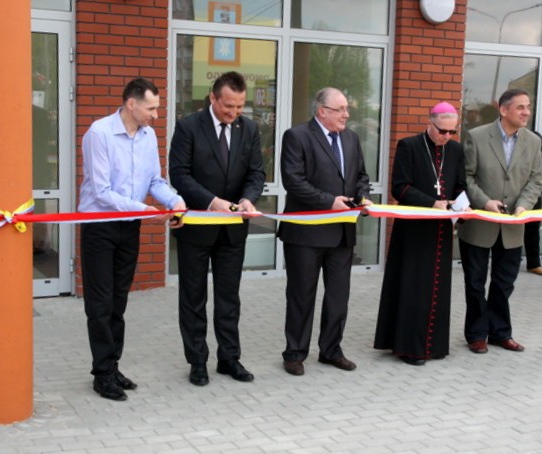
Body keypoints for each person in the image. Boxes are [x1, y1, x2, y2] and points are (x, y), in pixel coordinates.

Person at [79, 78, 186, 401]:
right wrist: (145, 210)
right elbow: (102, 192)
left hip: (130, 227)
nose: (156, 114)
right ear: (131, 104)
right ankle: (102, 374)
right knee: (100, 303)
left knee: (119, 301)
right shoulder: (99, 133)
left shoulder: (148, 135)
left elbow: (155, 180)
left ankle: (112, 365)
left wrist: (174, 201)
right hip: (100, 225)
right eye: (151, 107)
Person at [169, 71, 265, 386]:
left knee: (229, 297)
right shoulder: (187, 128)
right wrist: (212, 202)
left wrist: (248, 200)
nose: (234, 113)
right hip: (197, 228)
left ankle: (229, 359)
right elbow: (180, 175)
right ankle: (197, 361)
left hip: (233, 230)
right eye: (228, 106)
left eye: (239, 107)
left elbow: (256, 173)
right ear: (213, 98)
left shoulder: (249, 129)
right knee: (193, 297)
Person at [278, 87, 371, 376]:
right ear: (322, 111)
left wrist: (363, 196)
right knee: (301, 295)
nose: (347, 114)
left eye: (347, 108)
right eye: (341, 109)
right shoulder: (297, 136)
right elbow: (293, 181)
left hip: (342, 234)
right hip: (306, 234)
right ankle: (295, 353)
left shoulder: (352, 138)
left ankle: (331, 350)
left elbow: (361, 176)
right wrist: (330, 201)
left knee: (338, 296)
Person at [373, 102, 466, 366]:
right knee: (413, 286)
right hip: (413, 229)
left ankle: (434, 346)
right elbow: (399, 188)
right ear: (430, 123)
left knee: (437, 286)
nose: (446, 137)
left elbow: (460, 185)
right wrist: (431, 203)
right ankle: (409, 347)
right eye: (442, 131)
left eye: (451, 132)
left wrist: (460, 207)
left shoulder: (456, 150)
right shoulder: (409, 146)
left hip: (441, 231)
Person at [459, 88, 542, 355]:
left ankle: (499, 333)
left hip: (512, 227)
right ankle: (476, 334)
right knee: (475, 282)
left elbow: (535, 180)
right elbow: (466, 177)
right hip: (479, 224)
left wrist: (523, 205)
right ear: (503, 110)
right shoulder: (476, 136)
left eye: (528, 106)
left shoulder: (533, 141)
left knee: (504, 283)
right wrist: (485, 202)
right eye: (520, 107)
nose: (526, 112)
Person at [524, 131, 542, 276]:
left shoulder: (534, 137)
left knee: (533, 229)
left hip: (532, 192)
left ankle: (533, 264)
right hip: (509, 192)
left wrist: (529, 158)